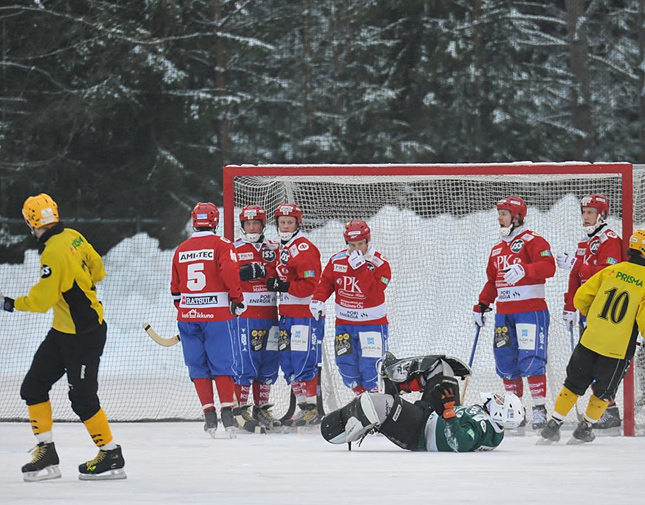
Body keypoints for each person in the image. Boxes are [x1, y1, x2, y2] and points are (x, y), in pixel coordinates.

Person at [0, 194, 125, 481]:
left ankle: (111, 454)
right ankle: (47, 454)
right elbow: (99, 269)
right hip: (63, 331)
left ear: (31, 222)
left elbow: (42, 300)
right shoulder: (73, 236)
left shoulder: (52, 253)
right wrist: (80, 285)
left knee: (82, 398)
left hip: (84, 335)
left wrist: (8, 303)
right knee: (33, 387)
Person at [539, 228, 645, 445]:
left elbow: (580, 298)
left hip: (589, 339)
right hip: (617, 349)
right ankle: (585, 428)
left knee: (573, 384)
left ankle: (554, 424)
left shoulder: (611, 271)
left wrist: (594, 317)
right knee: (605, 391)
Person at [321, 353, 524, 452]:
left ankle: (364, 420)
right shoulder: (485, 416)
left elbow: (460, 444)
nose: (497, 397)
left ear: (501, 412)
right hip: (432, 415)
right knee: (441, 368)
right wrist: (448, 409)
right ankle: (394, 384)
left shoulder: (484, 429)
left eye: (501, 400)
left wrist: (450, 415)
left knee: (373, 403)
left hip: (420, 432)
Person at [472, 196, 556, 430]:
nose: (499, 218)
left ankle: (539, 409)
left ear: (517, 217)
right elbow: (493, 281)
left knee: (531, 359)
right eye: (499, 213)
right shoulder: (497, 248)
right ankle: (514, 408)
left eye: (504, 214)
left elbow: (549, 267)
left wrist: (525, 269)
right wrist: (481, 304)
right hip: (504, 313)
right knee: (506, 361)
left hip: (530, 312)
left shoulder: (534, 241)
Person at [171, 202, 249, 437]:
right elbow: (229, 271)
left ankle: (209, 416)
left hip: (187, 315)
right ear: (215, 221)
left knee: (197, 365)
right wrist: (237, 298)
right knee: (222, 363)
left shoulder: (181, 249)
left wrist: (188, 309)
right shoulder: (223, 244)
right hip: (216, 315)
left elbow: (175, 289)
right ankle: (227, 413)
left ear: (194, 221)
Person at [556, 194, 623, 431]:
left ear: (602, 215)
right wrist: (569, 306)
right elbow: (577, 277)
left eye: (590, 212)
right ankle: (606, 411)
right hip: (588, 311)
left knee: (601, 364)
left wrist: (576, 263)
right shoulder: (585, 241)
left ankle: (609, 411)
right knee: (585, 363)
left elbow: (607, 274)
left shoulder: (611, 239)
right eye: (583, 212)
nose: (585, 217)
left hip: (606, 313)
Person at [310, 220, 391, 394]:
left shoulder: (379, 264)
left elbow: (375, 293)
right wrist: (318, 299)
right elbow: (326, 283)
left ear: (368, 242)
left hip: (372, 324)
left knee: (371, 368)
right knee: (346, 367)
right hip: (345, 323)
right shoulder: (337, 260)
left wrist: (361, 269)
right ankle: (362, 400)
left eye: (360, 244)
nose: (356, 249)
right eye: (352, 245)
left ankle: (375, 402)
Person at [266, 202, 323, 427]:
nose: (286, 226)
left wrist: (283, 285)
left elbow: (310, 285)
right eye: (282, 222)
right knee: (288, 362)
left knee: (303, 361)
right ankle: (302, 406)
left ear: (297, 224)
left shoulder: (305, 248)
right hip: (287, 314)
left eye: (289, 222)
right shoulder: (280, 247)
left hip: (304, 315)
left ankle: (312, 407)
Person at [232, 204, 282, 430]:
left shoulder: (274, 247)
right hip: (247, 315)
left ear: (263, 225)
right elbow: (226, 275)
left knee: (268, 362)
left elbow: (282, 270)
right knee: (246, 362)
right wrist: (241, 273)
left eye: (255, 223)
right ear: (243, 226)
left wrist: (268, 273)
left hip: (270, 312)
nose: (252, 227)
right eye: (248, 224)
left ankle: (262, 408)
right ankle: (240, 409)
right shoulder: (234, 248)